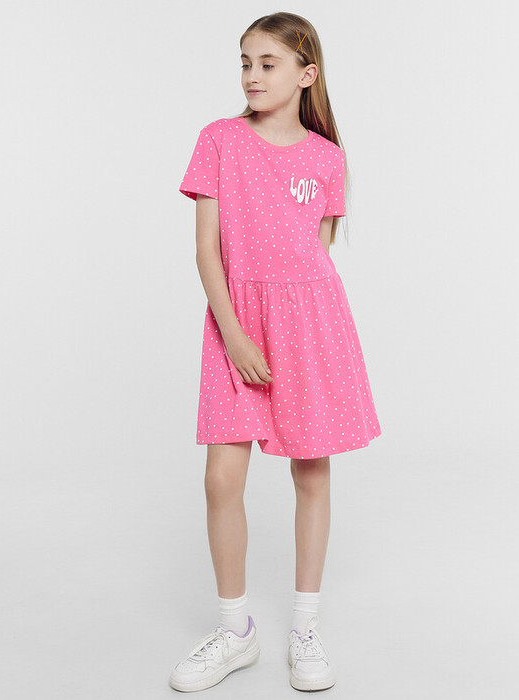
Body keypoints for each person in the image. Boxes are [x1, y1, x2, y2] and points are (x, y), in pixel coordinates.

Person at [169, 11, 381, 693]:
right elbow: (206, 251)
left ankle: (305, 627)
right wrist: (235, 334)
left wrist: (296, 334)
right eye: (245, 62)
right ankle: (235, 631)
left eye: (267, 63)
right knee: (221, 480)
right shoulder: (219, 140)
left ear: (305, 74)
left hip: (309, 326)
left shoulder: (326, 158)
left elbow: (314, 254)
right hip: (236, 324)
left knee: (311, 472)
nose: (251, 75)